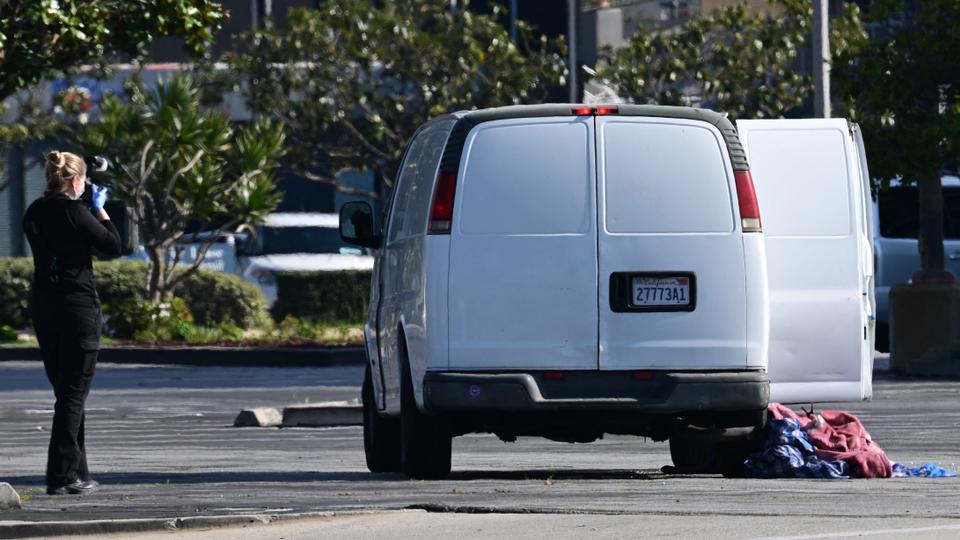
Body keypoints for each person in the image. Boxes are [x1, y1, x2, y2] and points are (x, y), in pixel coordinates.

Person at [23, 151, 121, 495]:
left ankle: (77, 471)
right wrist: (100, 207)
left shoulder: (34, 211)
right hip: (78, 307)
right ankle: (63, 475)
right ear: (76, 180)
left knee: (65, 392)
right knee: (73, 394)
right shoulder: (77, 211)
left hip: (45, 307)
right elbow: (113, 244)